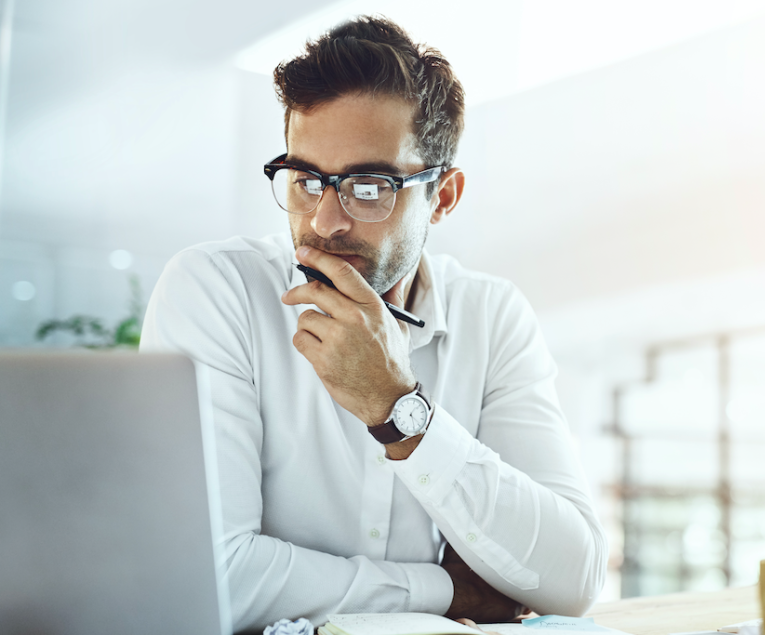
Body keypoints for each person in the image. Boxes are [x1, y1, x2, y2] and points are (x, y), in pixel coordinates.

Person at [140, 16, 607, 633]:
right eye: (306, 180)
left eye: (368, 185)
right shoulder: (217, 291)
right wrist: (443, 591)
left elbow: (572, 578)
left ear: (442, 196)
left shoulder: (492, 315)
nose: (326, 220)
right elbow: (206, 578)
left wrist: (398, 408)